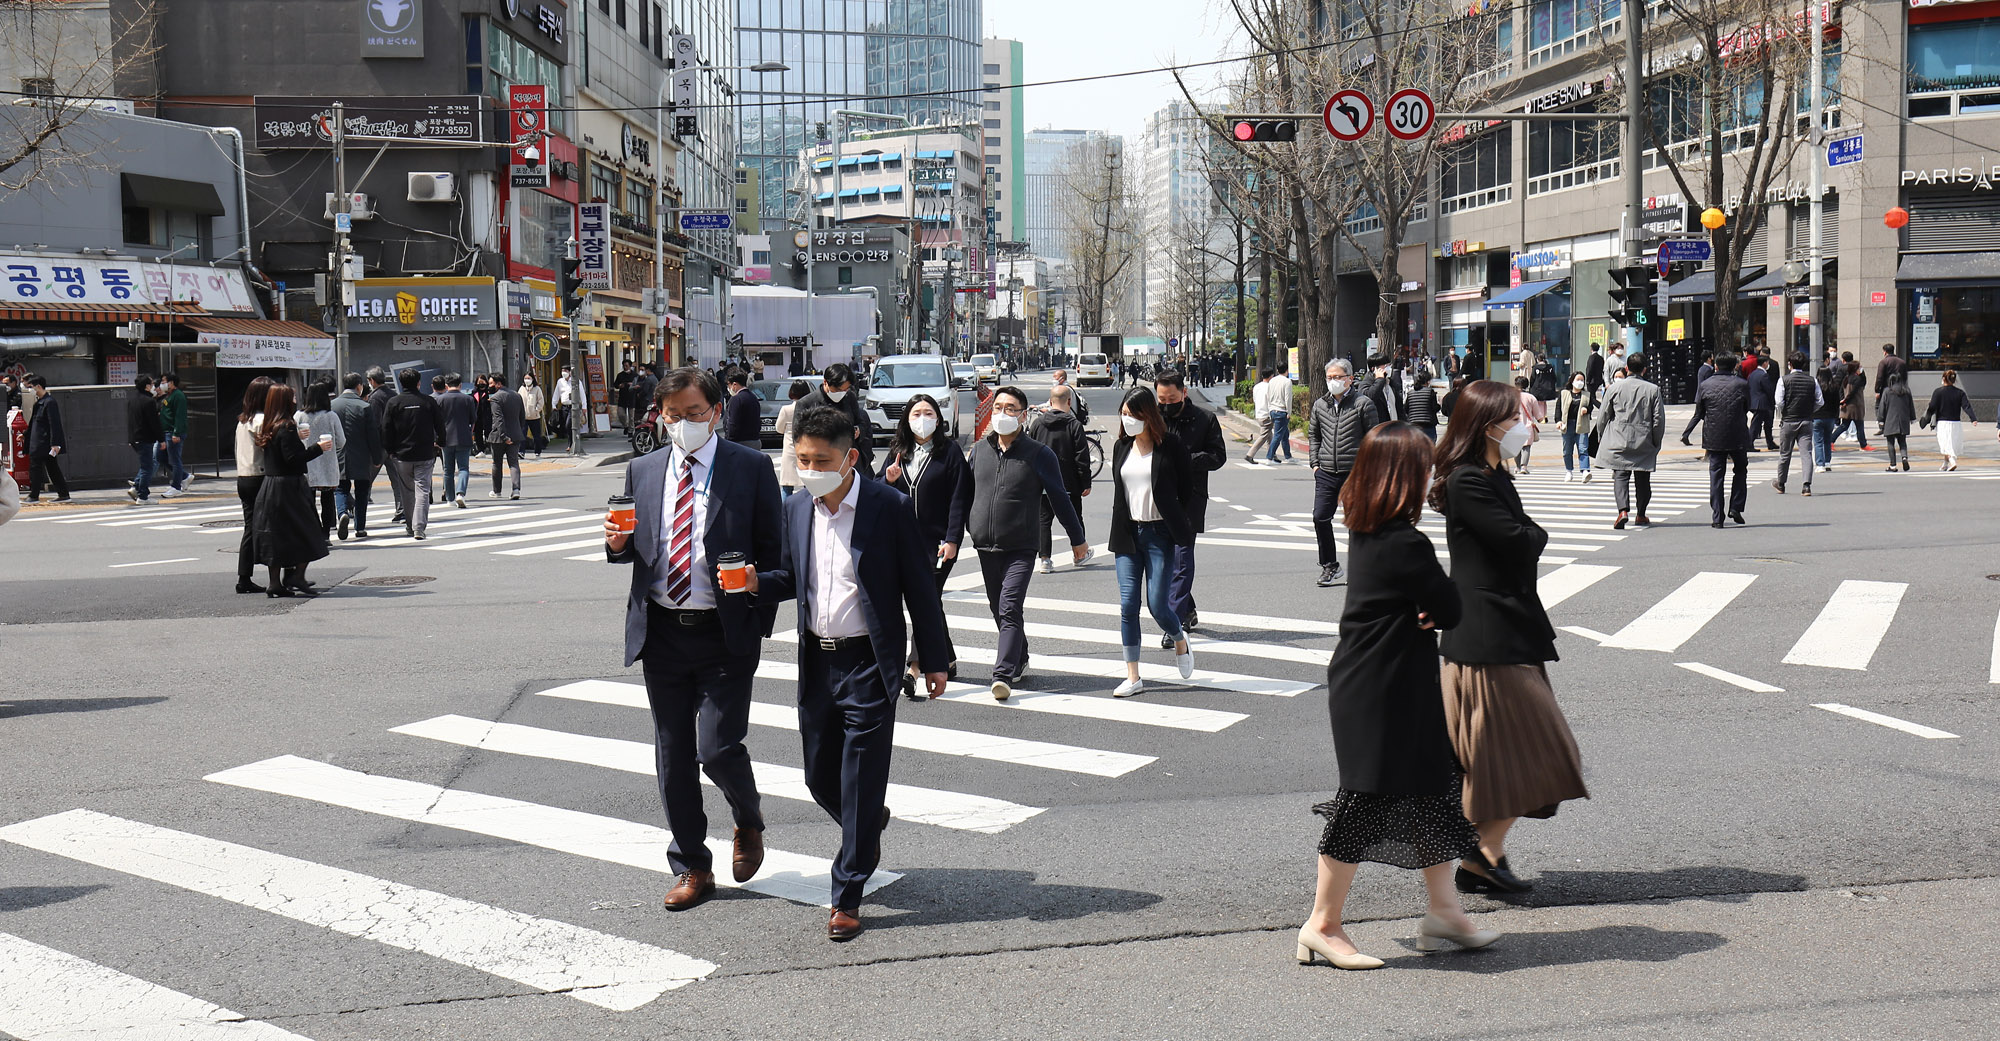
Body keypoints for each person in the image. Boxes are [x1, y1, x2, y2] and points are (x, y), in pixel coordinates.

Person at [1301, 422, 1497, 971]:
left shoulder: (1368, 530)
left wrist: (1427, 607)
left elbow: (1430, 603)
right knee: (1365, 800)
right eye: (1424, 466)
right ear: (1404, 476)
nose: (1432, 472)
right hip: (1382, 689)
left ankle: (1445, 912)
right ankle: (1322, 923)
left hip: (1384, 682)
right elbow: (1451, 607)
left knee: (1430, 792)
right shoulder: (1407, 541)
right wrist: (1434, 606)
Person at [752, 406, 952, 941]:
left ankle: (847, 893)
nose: (810, 469)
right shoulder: (796, 507)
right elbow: (790, 578)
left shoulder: (887, 508)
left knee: (861, 777)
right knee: (819, 776)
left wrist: (934, 657)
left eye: (821, 460)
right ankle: (866, 826)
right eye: (802, 460)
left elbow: (919, 588)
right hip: (817, 660)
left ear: (851, 458)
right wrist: (753, 582)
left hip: (869, 662)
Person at [602, 367, 785, 913]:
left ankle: (748, 818)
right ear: (660, 416)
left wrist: (756, 610)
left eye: (695, 413)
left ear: (716, 412)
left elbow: (776, 556)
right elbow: (635, 550)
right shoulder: (643, 469)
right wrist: (617, 544)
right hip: (661, 631)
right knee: (672, 754)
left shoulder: (749, 468)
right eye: (674, 415)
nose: (684, 423)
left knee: (718, 748)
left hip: (724, 632)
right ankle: (691, 865)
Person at [1431, 380, 1589, 895]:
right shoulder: (1468, 481)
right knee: (1538, 752)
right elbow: (1520, 540)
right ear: (1487, 425)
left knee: (1516, 757)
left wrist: (1528, 532)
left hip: (1504, 631)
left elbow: (1520, 537)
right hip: (1486, 637)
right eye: (1516, 415)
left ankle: (1484, 857)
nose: (1527, 423)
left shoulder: (1490, 474)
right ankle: (1479, 853)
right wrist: (1532, 532)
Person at [964, 385, 1088, 701]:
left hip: (1021, 544)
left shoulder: (1038, 454)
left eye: (1010, 409)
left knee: (1009, 606)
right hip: (985, 544)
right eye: (998, 407)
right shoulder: (979, 450)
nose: (1003, 414)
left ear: (1022, 414)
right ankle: (1020, 656)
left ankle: (1002, 673)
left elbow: (1060, 497)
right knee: (999, 608)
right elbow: (962, 495)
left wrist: (1078, 539)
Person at [1107, 387, 1195, 698]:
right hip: (1128, 533)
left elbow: (1188, 491)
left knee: (1158, 605)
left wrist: (1183, 527)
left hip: (1160, 535)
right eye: (1124, 414)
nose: (1126, 420)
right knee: (1128, 605)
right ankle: (1133, 675)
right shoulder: (1121, 447)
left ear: (1148, 415)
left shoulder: (1170, 445)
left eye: (1133, 415)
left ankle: (1179, 639)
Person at [882, 393, 970, 699]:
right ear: (907, 419)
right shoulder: (898, 451)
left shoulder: (950, 452)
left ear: (938, 418)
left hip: (937, 544)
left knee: (925, 601)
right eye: (916, 413)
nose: (922, 418)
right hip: (901, 543)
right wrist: (889, 480)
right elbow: (878, 492)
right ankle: (947, 657)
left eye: (928, 412)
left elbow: (960, 498)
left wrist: (953, 539)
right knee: (930, 603)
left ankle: (914, 668)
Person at [1154, 369, 1225, 634]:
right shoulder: (1154, 417)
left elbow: (1218, 456)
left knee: (1181, 558)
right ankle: (1187, 608)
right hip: (1158, 498)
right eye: (1162, 399)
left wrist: (1187, 460)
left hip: (1191, 497)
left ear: (1184, 392)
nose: (1167, 405)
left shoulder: (1204, 419)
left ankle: (1173, 624)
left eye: (1171, 399)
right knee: (1165, 561)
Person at [251, 384, 331, 598]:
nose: (295, 399)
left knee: (276, 535)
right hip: (289, 486)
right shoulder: (286, 425)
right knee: (308, 530)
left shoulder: (269, 424)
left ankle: (275, 582)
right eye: (292, 396)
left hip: (271, 485)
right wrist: (318, 448)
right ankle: (297, 575)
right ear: (285, 401)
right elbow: (293, 459)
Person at [1307, 359, 1379, 587]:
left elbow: (1373, 439)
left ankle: (1360, 568)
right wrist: (1315, 464)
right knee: (1320, 517)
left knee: (1355, 522)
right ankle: (1330, 565)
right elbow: (1314, 436)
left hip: (1354, 472)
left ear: (1349, 378)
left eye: (1337, 377)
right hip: (1326, 471)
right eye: (1329, 378)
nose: (1333, 382)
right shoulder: (1320, 405)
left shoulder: (1363, 404)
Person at [1591, 351, 1664, 528]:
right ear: (1645, 370)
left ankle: (1622, 511)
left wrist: (1601, 437)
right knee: (1643, 479)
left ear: (1626, 368)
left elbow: (1603, 416)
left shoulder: (1613, 389)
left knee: (1620, 476)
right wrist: (1656, 441)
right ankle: (1641, 514)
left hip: (1618, 438)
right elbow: (1658, 420)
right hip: (1643, 439)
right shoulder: (1653, 390)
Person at [1682, 351, 1753, 528]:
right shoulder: (1742, 384)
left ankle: (1717, 517)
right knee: (1741, 469)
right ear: (1734, 366)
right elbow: (1747, 407)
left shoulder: (1705, 385)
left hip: (1714, 435)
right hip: (1737, 434)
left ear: (1716, 366)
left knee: (1716, 475)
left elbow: (1700, 412)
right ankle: (1736, 506)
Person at [1026, 384, 1091, 574]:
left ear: (1050, 401)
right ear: (1069, 402)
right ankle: (1079, 554)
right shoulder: (1073, 425)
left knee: (1043, 520)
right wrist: (1085, 482)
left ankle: (1045, 559)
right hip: (1069, 482)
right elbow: (1081, 457)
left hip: (1042, 482)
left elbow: (1030, 452)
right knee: (1075, 517)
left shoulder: (1037, 424)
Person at [381, 368, 443, 539]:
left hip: (401, 455)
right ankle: (419, 527)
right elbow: (440, 426)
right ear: (418, 383)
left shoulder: (394, 403)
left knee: (407, 491)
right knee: (423, 489)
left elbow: (386, 429)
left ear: (401, 383)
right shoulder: (428, 402)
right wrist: (440, 443)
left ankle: (410, 525)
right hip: (425, 453)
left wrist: (390, 450)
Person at [230, 377, 274, 593]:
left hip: (243, 477)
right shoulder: (261, 421)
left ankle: (244, 577)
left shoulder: (242, 420)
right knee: (271, 527)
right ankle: (277, 577)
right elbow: (272, 449)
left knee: (250, 528)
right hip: (260, 477)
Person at [795, 363, 875, 475]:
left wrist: (858, 431)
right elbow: (798, 437)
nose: (841, 393)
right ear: (825, 382)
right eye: (837, 390)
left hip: (849, 461)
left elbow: (861, 422)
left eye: (845, 389)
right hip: (821, 464)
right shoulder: (806, 403)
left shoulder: (849, 397)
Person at [332, 373, 380, 539]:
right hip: (361, 454)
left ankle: (342, 514)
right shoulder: (365, 406)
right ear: (359, 386)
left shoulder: (333, 405)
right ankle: (359, 527)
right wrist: (377, 457)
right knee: (362, 491)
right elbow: (372, 435)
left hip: (338, 454)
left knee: (340, 488)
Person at [296, 380, 346, 537]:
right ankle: (325, 534)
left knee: (308, 501)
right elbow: (341, 441)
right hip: (327, 463)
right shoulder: (331, 416)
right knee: (327, 500)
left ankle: (313, 532)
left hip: (306, 463)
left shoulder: (299, 416)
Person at [1771, 353, 1822, 498]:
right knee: (1806, 454)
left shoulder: (1783, 380)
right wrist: (1810, 410)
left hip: (1788, 421)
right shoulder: (1812, 381)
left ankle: (1781, 483)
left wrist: (1786, 410)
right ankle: (1806, 486)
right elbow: (1820, 401)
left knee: (1785, 454)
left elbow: (1779, 402)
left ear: (1789, 364)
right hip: (1806, 421)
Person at [21, 375, 69, 503]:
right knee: (52, 468)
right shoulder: (39, 402)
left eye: (31, 387)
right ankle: (63, 494)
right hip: (39, 441)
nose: (29, 389)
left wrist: (55, 443)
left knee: (35, 467)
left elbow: (55, 424)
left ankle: (34, 495)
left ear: (38, 386)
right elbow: (34, 423)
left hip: (43, 442)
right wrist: (25, 434)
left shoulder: (49, 402)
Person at [1920, 368, 1978, 471]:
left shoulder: (1938, 392)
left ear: (1943, 379)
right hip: (1956, 423)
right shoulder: (1960, 393)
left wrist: (1926, 419)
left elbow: (1932, 406)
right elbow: (1966, 406)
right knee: (1950, 443)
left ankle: (1952, 461)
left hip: (1943, 423)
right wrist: (1973, 418)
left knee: (1945, 443)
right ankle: (1945, 463)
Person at [435, 373, 477, 509]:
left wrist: (436, 438)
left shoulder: (440, 400)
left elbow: (436, 421)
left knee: (448, 470)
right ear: (460, 385)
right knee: (463, 468)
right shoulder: (468, 399)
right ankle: (461, 493)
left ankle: (450, 498)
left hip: (446, 438)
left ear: (446, 385)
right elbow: (473, 418)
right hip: (464, 437)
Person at [125, 374, 167, 502]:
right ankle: (143, 496)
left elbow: (130, 420)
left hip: (135, 438)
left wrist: (130, 437)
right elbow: (154, 423)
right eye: (152, 384)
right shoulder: (148, 402)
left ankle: (137, 487)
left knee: (146, 465)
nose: (154, 387)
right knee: (147, 467)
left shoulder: (132, 400)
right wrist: (161, 439)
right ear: (147, 386)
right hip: (145, 438)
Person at [486, 375, 526, 500]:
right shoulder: (516, 395)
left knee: (497, 464)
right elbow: (522, 416)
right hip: (515, 434)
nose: (489, 386)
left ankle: (497, 491)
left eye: (491, 383)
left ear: (498, 384)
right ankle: (516, 489)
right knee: (513, 463)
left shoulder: (495, 398)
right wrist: (517, 431)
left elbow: (498, 419)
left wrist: (504, 436)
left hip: (498, 436)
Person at [1556, 372, 1594, 483]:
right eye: (1578, 379)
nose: (1580, 382)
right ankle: (1569, 471)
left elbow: (1591, 406)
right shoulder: (1564, 393)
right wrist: (1558, 421)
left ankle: (1585, 471)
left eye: (1582, 380)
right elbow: (1558, 409)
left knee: (1583, 448)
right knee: (1567, 450)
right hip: (1567, 425)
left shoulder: (1587, 395)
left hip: (1581, 425)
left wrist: (1587, 410)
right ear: (1572, 381)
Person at [157, 373, 190, 495]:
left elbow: (180, 416)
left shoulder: (178, 396)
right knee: (160, 456)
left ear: (172, 383)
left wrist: (176, 433)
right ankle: (184, 476)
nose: (162, 384)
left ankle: (176, 487)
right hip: (165, 431)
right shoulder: (168, 395)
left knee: (175, 459)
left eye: (164, 381)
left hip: (173, 432)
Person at [1878, 373, 1915, 473]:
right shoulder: (1907, 390)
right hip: (1903, 420)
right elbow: (1911, 405)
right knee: (1902, 441)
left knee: (1890, 442)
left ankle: (1893, 465)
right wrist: (1912, 418)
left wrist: (1880, 420)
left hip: (1890, 420)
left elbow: (1882, 406)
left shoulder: (1887, 391)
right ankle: (1904, 457)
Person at [776, 380, 808, 496]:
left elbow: (779, 428)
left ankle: (785, 512)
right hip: (806, 448)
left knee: (786, 486)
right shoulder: (810, 409)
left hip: (790, 449)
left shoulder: (786, 409)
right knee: (809, 486)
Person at [1812, 362, 1842, 472]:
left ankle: (1820, 464)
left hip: (1817, 416)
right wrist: (1836, 416)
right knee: (1827, 440)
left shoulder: (1816, 386)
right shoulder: (1834, 386)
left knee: (1818, 441)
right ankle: (1828, 462)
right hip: (1830, 417)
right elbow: (1836, 403)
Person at [722, 369, 762, 449]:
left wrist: (728, 441)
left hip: (740, 444)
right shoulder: (753, 397)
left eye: (728, 385)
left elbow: (732, 424)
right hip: (755, 441)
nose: (728, 388)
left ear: (734, 384)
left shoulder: (736, 399)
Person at [1244, 368, 1277, 464]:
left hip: (1259, 413)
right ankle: (1250, 454)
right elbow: (1271, 401)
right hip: (1267, 414)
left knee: (1269, 435)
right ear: (1271, 376)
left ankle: (1272, 455)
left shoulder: (1257, 387)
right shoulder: (1270, 387)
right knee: (1264, 436)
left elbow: (1255, 399)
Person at [1837, 358, 1871, 451]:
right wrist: (1845, 401)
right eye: (1859, 367)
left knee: (1844, 425)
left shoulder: (1847, 377)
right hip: (1855, 405)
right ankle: (1863, 445)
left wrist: (1842, 400)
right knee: (1859, 426)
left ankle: (1831, 441)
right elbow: (1853, 392)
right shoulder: (1857, 379)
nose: (1860, 368)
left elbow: (1841, 390)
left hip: (1847, 405)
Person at [1511, 376, 1543, 473]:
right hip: (1527, 425)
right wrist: (1540, 419)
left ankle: (1517, 467)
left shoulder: (1510, 396)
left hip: (1513, 426)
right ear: (1527, 385)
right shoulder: (1531, 397)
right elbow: (1538, 415)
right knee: (1526, 447)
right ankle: (1524, 467)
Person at [1744, 355, 1776, 451]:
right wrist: (1773, 401)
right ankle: (1749, 443)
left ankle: (1770, 442)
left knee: (1767, 423)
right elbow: (1769, 390)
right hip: (1762, 403)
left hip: (1755, 402)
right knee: (1756, 424)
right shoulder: (1764, 375)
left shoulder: (1752, 374)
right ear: (1765, 363)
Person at [1402, 370, 1439, 441]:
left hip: (1413, 426)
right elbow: (1434, 408)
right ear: (1428, 381)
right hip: (1428, 425)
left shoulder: (1410, 393)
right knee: (1429, 449)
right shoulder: (1430, 392)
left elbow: (1406, 409)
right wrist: (1439, 405)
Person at [1874, 343, 1907, 416]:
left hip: (1886, 388)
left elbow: (1880, 377)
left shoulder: (1883, 362)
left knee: (1882, 407)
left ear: (1885, 352)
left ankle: (1882, 422)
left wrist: (1877, 390)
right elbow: (1905, 377)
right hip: (1899, 388)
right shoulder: (1902, 362)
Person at [519, 372, 547, 457]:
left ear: (532, 379)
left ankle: (537, 451)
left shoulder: (537, 389)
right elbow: (518, 399)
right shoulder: (521, 389)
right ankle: (521, 451)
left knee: (536, 436)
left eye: (529, 378)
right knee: (522, 435)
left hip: (534, 417)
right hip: (524, 417)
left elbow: (541, 401)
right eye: (525, 378)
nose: (527, 380)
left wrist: (536, 410)